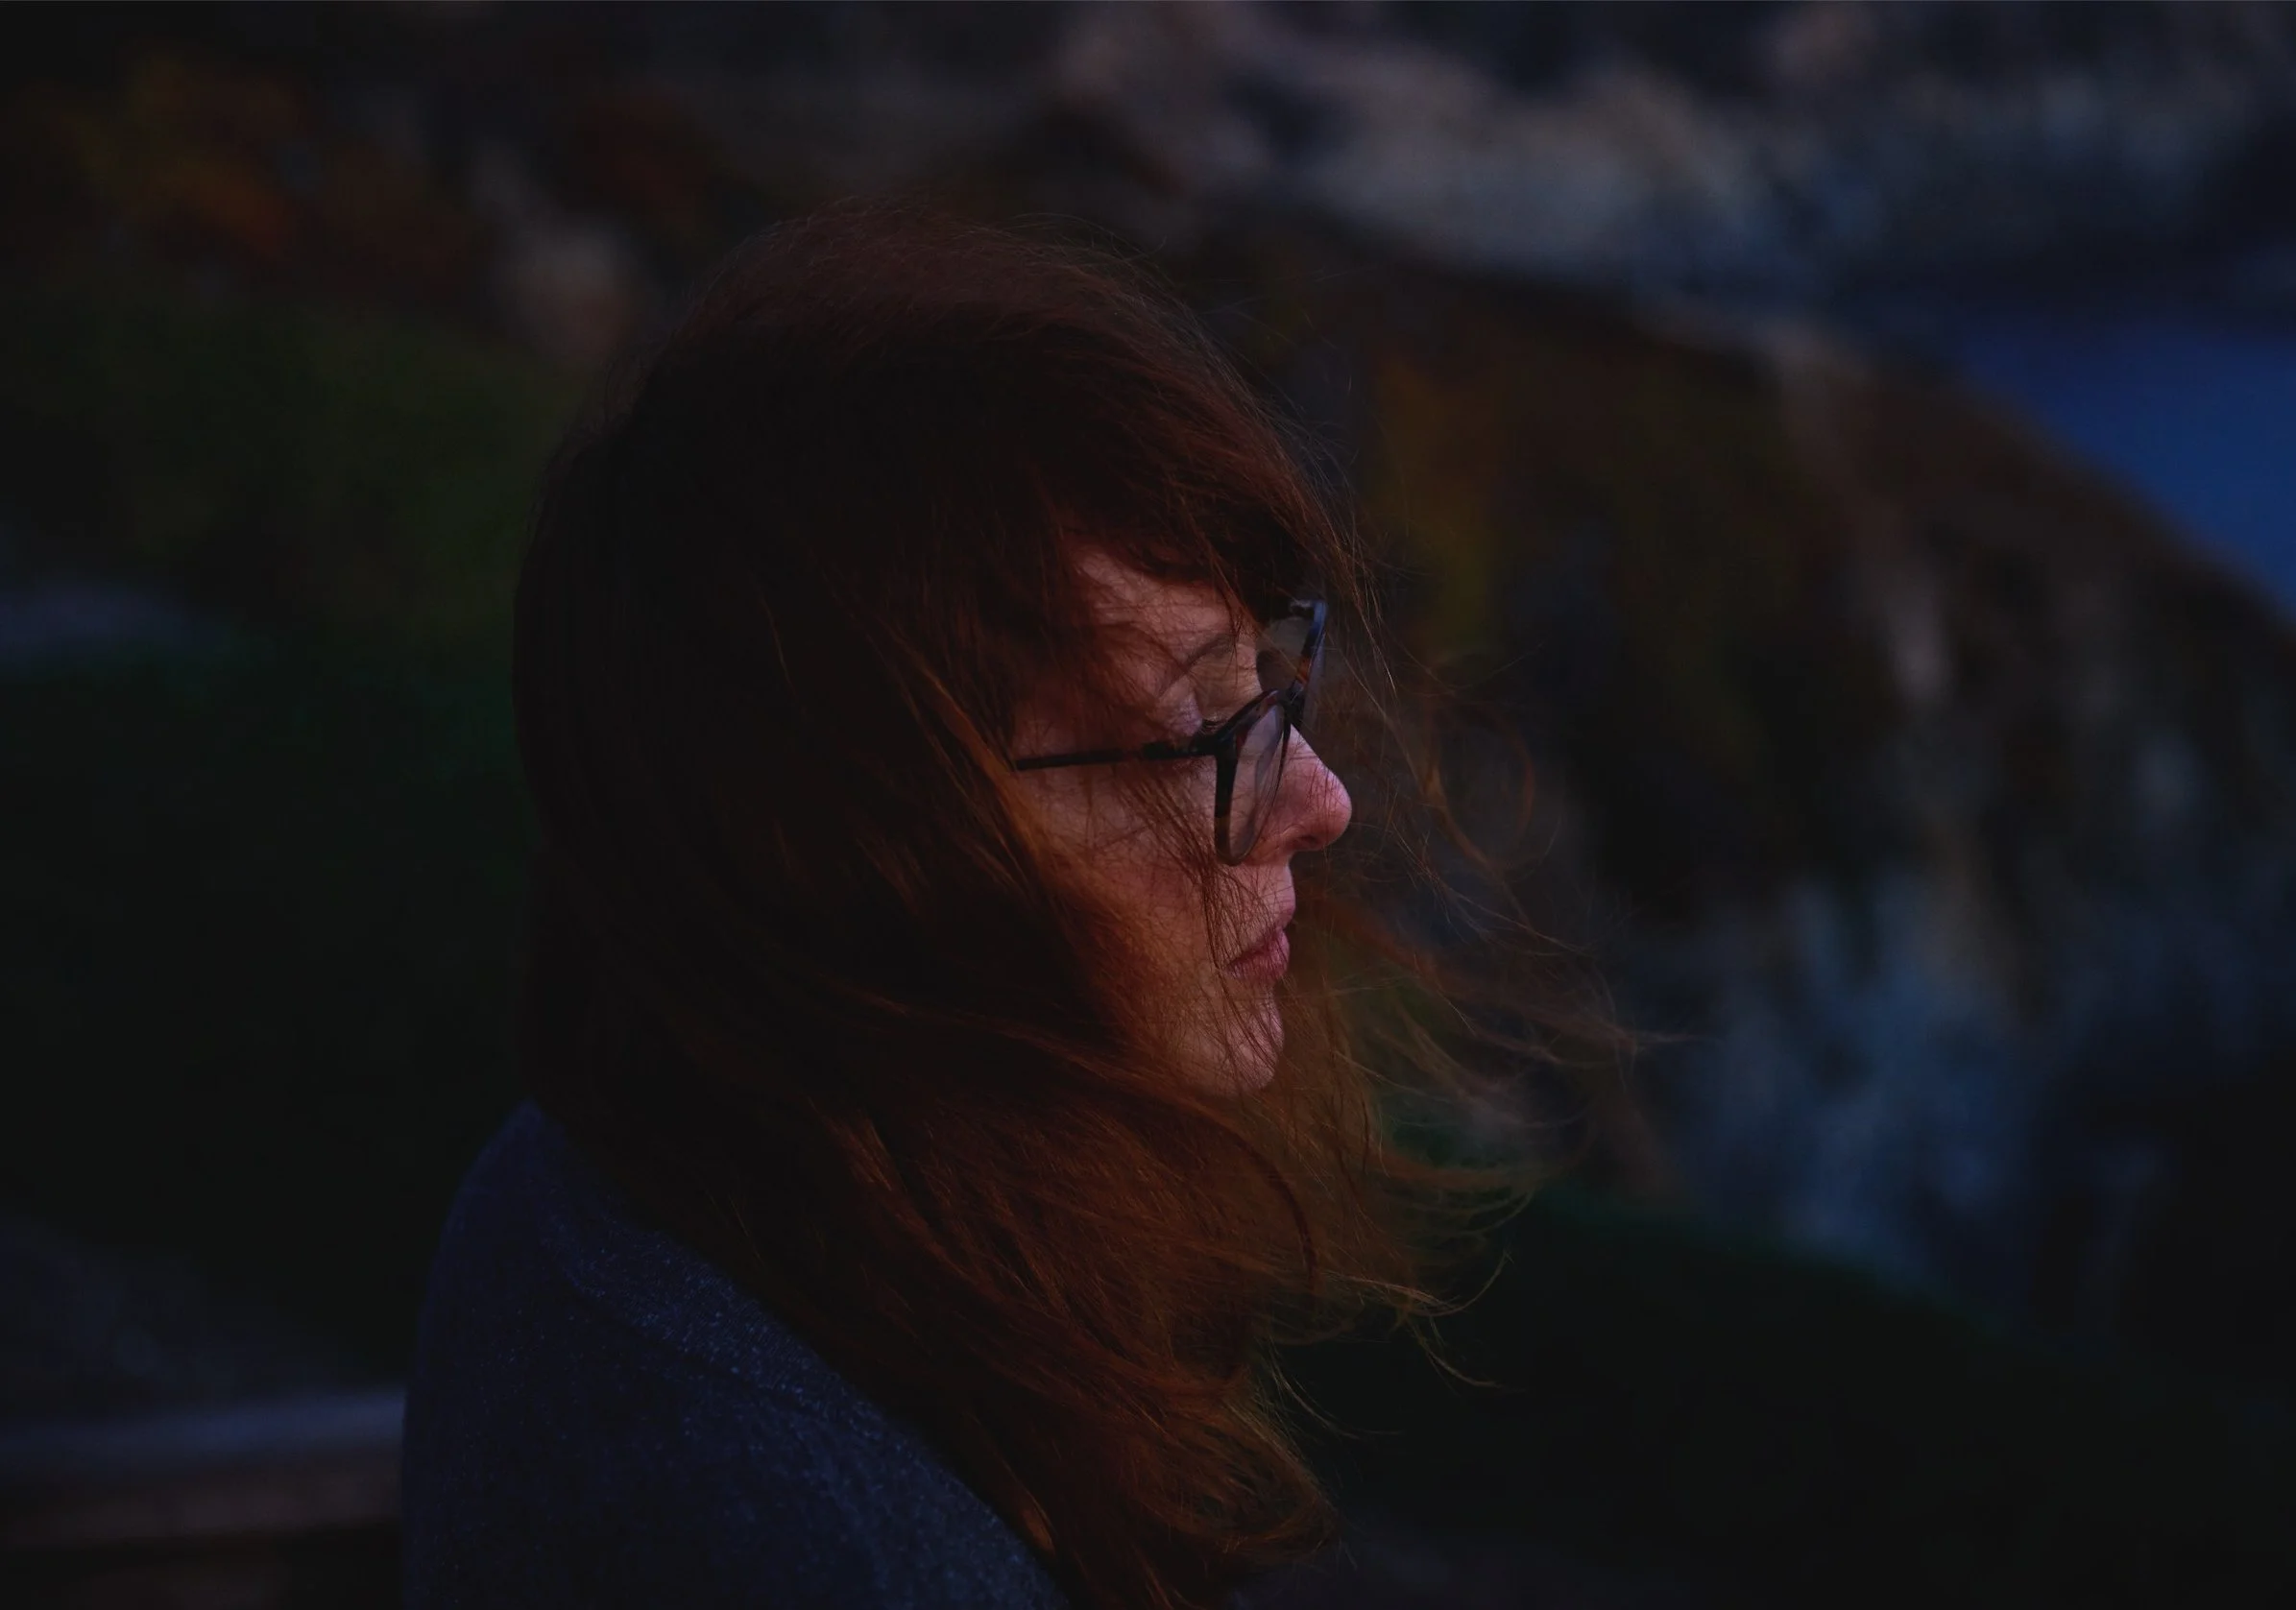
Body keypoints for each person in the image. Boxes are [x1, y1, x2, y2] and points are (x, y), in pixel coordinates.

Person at [401, 204, 1611, 1610]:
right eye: (1196, 736)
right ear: (869, 852)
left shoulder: (652, 1175)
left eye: (1277, 684)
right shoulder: (794, 1538)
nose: (1320, 801)